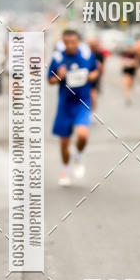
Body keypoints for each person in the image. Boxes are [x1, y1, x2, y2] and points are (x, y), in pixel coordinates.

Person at [48, 30, 99, 186]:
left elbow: (95, 70)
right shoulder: (58, 58)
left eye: (73, 42)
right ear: (63, 42)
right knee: (64, 142)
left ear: (78, 42)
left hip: (82, 102)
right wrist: (58, 76)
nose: (70, 45)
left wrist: (92, 77)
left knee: (83, 135)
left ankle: (77, 157)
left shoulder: (86, 55)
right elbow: (50, 81)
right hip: (65, 105)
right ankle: (65, 170)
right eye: (67, 42)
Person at [87, 37, 105, 111]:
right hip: (85, 78)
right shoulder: (86, 53)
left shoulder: (99, 54)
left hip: (95, 78)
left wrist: (100, 69)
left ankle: (92, 113)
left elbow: (103, 67)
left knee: (93, 97)